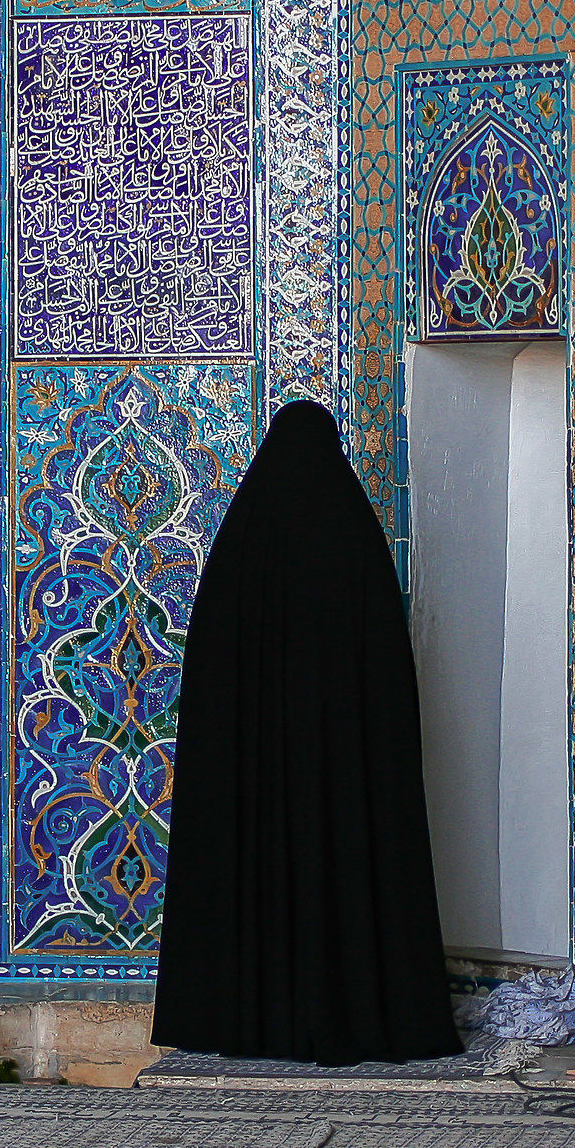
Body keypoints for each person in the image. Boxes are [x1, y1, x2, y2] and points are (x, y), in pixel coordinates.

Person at [152, 399, 461, 1066]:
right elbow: (387, 686)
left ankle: (252, 1017)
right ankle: (350, 1011)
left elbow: (211, 695)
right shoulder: (356, 543)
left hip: (255, 785)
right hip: (342, 780)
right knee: (343, 857)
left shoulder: (241, 550)